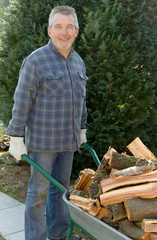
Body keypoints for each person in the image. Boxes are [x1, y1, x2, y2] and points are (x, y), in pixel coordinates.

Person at [7, 5, 88, 240]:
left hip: (67, 142)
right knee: (38, 193)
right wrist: (16, 137)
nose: (64, 32)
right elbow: (22, 101)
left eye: (69, 27)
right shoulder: (35, 61)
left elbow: (81, 100)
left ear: (76, 31)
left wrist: (81, 129)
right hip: (43, 143)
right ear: (49, 31)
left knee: (61, 191)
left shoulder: (78, 62)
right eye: (59, 27)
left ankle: (59, 234)